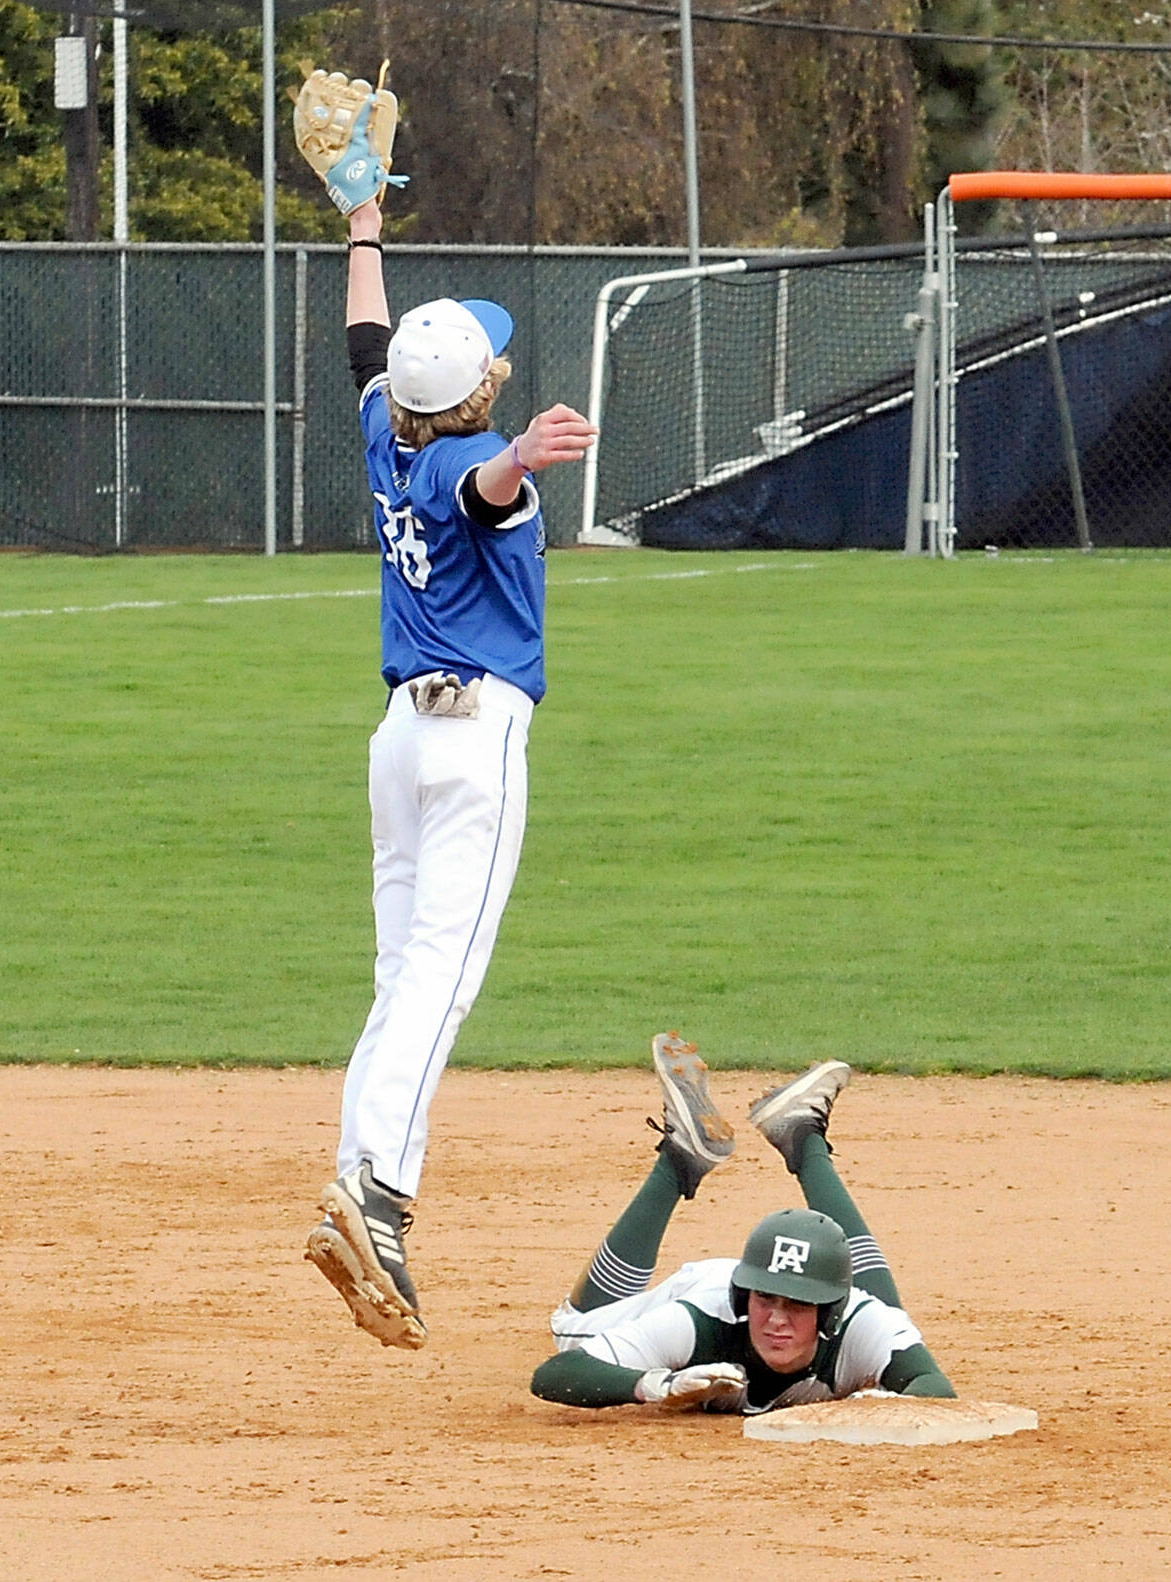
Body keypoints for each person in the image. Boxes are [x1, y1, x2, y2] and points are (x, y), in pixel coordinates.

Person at [305, 196, 597, 1350]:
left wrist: (362, 224)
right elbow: (480, 491)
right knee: (439, 973)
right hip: (474, 740)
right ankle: (377, 1196)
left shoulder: (388, 429)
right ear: (481, 396)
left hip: (398, 742)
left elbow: (367, 351)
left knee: (398, 973)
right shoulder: (473, 461)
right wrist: (518, 454)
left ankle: (353, 1182)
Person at [531, 1033, 954, 1412]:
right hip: (695, 1289)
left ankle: (802, 1132)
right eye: (765, 1299)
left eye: (798, 1304)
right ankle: (676, 1163)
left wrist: (888, 1405)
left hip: (832, 1299)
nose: (775, 1319)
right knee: (571, 1332)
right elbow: (557, 1374)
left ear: (830, 1315)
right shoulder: (699, 1319)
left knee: (890, 1321)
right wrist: (657, 1384)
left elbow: (932, 1385)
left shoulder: (861, 1322)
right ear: (741, 1296)